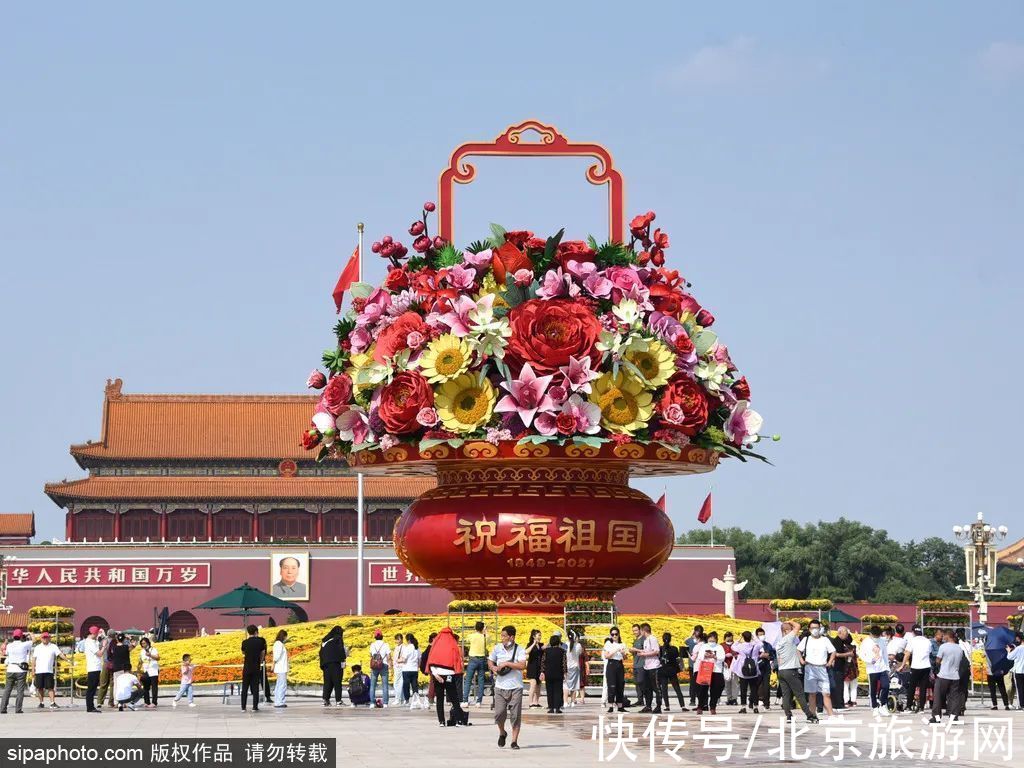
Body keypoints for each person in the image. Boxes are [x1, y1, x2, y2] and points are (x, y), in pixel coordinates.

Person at [489, 625, 527, 750]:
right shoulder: (497, 648)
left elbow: (522, 665)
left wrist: (506, 663)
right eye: (502, 635)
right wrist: (493, 667)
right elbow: (490, 661)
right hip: (500, 687)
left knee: (515, 715)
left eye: (504, 636)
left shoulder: (520, 649)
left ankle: (514, 741)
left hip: (516, 687)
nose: (502, 638)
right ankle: (502, 732)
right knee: (499, 714)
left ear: (512, 637)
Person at [775, 621, 815, 723]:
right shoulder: (788, 639)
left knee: (786, 695)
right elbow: (798, 626)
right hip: (790, 671)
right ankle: (809, 715)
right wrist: (790, 622)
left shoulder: (778, 643)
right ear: (786, 631)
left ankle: (788, 716)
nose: (793, 630)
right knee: (799, 694)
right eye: (790, 628)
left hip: (781, 671)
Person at [427, 626, 467, 726]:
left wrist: (436, 675)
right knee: (454, 698)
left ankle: (441, 721)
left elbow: (431, 661)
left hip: (438, 675)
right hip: (450, 674)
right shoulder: (452, 644)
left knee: (439, 699)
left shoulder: (436, 644)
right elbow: (456, 659)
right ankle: (459, 720)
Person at [797, 619, 836, 718]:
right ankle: (813, 714)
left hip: (822, 668)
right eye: (813, 628)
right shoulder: (806, 639)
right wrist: (801, 660)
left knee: (826, 693)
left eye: (817, 628)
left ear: (820, 628)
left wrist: (830, 661)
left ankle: (831, 715)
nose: (815, 630)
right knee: (812, 694)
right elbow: (798, 650)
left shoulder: (825, 639)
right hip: (810, 668)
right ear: (809, 629)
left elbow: (833, 651)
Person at [930, 629, 965, 723]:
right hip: (955, 676)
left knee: (938, 697)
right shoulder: (959, 648)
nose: (943, 637)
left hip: (943, 675)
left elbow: (938, 660)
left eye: (944, 635)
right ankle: (954, 717)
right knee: (953, 698)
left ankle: (936, 717)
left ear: (948, 636)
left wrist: (937, 666)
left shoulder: (943, 647)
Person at [691, 630, 726, 714]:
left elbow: (722, 658)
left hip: (716, 670)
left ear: (716, 640)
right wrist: (705, 656)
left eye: (713, 640)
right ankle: (700, 706)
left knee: (715, 689)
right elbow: (699, 657)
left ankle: (713, 707)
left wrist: (715, 656)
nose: (711, 642)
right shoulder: (704, 646)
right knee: (702, 689)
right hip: (705, 670)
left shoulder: (719, 647)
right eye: (710, 640)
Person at [901, 625, 934, 713]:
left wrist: (902, 665)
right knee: (923, 688)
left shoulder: (912, 641)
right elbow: (929, 652)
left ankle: (908, 707)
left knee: (912, 687)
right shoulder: (928, 641)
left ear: (913, 632)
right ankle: (921, 708)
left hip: (916, 667)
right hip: (926, 666)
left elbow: (907, 654)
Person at [858, 625, 890, 715]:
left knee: (886, 686)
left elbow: (884, 654)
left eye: (878, 636)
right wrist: (869, 660)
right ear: (871, 634)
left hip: (882, 668)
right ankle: (875, 707)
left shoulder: (882, 641)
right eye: (875, 636)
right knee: (873, 689)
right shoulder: (866, 642)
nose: (876, 638)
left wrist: (887, 667)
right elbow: (861, 654)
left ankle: (883, 705)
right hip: (872, 669)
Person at [1, 628, 32, 714]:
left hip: (10, 669)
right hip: (21, 670)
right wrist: (29, 633)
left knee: (7, 690)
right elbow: (35, 639)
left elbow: (5, 652)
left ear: (13, 636)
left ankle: (3, 708)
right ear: (21, 636)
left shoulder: (10, 645)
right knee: (20, 690)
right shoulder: (25, 644)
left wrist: (5, 642)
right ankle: (18, 709)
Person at [31, 632, 66, 709]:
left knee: (50, 687)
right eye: (43, 637)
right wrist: (33, 670)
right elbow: (34, 659)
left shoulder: (53, 646)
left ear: (49, 638)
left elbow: (60, 654)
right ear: (41, 638)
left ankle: (52, 702)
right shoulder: (37, 647)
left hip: (49, 671)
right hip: (39, 671)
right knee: (40, 688)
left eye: (46, 637)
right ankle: (41, 703)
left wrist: (68, 660)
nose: (45, 639)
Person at [732, 630, 763, 714]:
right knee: (754, 690)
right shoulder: (755, 646)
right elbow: (761, 644)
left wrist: (739, 639)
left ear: (743, 637)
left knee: (743, 689)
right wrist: (754, 638)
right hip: (753, 671)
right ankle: (755, 707)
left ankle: (743, 707)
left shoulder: (740, 646)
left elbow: (733, 646)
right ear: (751, 637)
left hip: (743, 672)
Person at [657, 632, 686, 711]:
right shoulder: (674, 648)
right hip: (672, 670)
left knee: (664, 689)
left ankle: (667, 706)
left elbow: (658, 658)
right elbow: (677, 658)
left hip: (663, 670)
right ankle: (682, 706)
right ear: (670, 639)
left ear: (663, 639)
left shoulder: (660, 648)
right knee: (677, 688)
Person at [240, 625, 266, 712]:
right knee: (255, 688)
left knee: (245, 687)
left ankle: (243, 707)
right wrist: (260, 661)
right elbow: (262, 652)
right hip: (256, 667)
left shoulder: (244, 642)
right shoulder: (260, 642)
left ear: (248, 632)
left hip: (247, 667)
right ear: (255, 632)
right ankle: (255, 707)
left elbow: (243, 652)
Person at [602, 627, 628, 713]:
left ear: (619, 634)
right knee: (611, 685)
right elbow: (607, 656)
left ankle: (620, 706)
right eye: (612, 634)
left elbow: (625, 657)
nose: (614, 636)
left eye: (616, 634)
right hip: (611, 664)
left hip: (619, 664)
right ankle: (611, 705)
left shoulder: (622, 644)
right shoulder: (608, 643)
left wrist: (623, 653)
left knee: (620, 685)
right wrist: (616, 650)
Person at [463, 621, 488, 707]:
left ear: (475, 628)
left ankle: (465, 700)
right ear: (482, 628)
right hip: (481, 659)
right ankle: (478, 702)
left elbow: (465, 640)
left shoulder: (471, 636)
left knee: (468, 680)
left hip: (473, 659)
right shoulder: (484, 637)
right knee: (481, 681)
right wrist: (485, 631)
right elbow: (488, 639)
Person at [319, 626, 346, 707]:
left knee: (327, 683)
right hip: (335, 663)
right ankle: (338, 701)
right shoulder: (338, 638)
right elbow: (341, 651)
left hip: (326, 665)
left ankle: (325, 700)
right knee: (337, 683)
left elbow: (320, 653)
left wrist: (323, 664)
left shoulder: (325, 640)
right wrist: (343, 659)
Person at [829, 627, 854, 711]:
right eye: (845, 634)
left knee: (840, 685)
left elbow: (850, 640)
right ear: (839, 633)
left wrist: (848, 633)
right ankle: (837, 705)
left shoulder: (842, 641)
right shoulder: (836, 641)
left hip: (841, 666)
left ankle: (840, 703)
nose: (846, 636)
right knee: (838, 686)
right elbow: (837, 654)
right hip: (836, 666)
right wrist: (848, 654)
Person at [541, 633, 567, 713]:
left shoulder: (546, 651)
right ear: (559, 642)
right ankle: (557, 707)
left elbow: (543, 662)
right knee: (558, 690)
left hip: (548, 673)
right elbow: (564, 663)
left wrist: (542, 672)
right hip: (558, 673)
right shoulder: (562, 651)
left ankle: (551, 707)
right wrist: (565, 673)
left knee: (550, 690)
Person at [82, 625, 103, 714]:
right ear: (93, 633)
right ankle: (90, 707)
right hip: (93, 668)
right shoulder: (90, 642)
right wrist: (104, 646)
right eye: (97, 633)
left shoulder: (93, 641)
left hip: (96, 667)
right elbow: (99, 654)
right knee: (91, 688)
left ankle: (90, 706)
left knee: (93, 688)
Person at [368, 631, 391, 708]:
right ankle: (385, 703)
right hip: (383, 665)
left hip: (374, 666)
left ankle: (372, 703)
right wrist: (390, 665)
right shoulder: (386, 644)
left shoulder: (372, 645)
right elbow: (389, 656)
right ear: (382, 636)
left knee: (372, 685)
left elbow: (371, 655)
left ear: (375, 637)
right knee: (385, 685)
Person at [754, 627, 775, 710]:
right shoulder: (754, 645)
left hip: (766, 667)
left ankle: (767, 704)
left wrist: (768, 656)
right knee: (756, 686)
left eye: (763, 634)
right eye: (760, 635)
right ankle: (754, 702)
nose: (762, 636)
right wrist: (760, 656)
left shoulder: (768, 645)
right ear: (757, 635)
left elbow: (773, 655)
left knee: (766, 686)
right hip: (757, 668)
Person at [398, 633, 421, 706]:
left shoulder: (407, 648)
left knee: (406, 686)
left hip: (407, 669)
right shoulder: (417, 648)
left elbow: (404, 660)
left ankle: (407, 700)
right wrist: (418, 667)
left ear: (408, 640)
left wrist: (398, 660)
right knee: (415, 685)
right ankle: (416, 700)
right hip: (414, 669)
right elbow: (419, 660)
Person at [685, 625, 704, 708]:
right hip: (692, 664)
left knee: (701, 683)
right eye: (696, 631)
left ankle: (701, 700)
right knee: (693, 683)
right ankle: (692, 700)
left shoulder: (703, 641)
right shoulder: (691, 640)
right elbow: (685, 641)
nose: (698, 633)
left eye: (699, 631)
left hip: (701, 665)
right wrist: (691, 633)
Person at [138, 637, 160, 708]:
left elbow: (158, 658)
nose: (143, 644)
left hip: (153, 671)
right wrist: (138, 668)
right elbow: (141, 660)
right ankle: (146, 702)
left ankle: (154, 702)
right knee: (145, 686)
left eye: (144, 643)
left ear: (147, 643)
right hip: (146, 671)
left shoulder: (153, 649)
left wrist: (150, 655)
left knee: (154, 687)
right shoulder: (142, 651)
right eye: (142, 643)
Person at [525, 629, 543, 709]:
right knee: (533, 684)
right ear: (533, 636)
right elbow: (526, 652)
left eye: (540, 635)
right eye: (538, 635)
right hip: (532, 667)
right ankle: (530, 703)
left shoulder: (541, 645)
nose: (540, 637)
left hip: (539, 667)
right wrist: (533, 644)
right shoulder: (529, 644)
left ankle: (536, 702)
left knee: (539, 685)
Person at [956, 629, 972, 716]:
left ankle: (958, 707)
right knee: (964, 688)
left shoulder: (958, 643)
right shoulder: (967, 643)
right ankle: (963, 706)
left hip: (959, 666)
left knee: (957, 688)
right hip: (967, 667)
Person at [565, 630, 584, 707]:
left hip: (566, 667)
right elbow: (580, 653)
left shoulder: (565, 644)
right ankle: (573, 701)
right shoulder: (578, 645)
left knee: (566, 685)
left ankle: (565, 702)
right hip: (575, 666)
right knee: (574, 684)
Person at [272, 629, 289, 708]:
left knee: (279, 685)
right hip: (281, 668)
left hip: (280, 668)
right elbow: (277, 656)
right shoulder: (279, 644)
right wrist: (273, 664)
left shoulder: (278, 643)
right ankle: (279, 702)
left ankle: (278, 701)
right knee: (282, 685)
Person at [1007, 632, 1024, 709]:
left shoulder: (1018, 648)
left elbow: (1009, 657)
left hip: (1018, 671)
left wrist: (1009, 651)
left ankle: (1021, 705)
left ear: (1019, 638)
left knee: (1019, 689)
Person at [421, 632, 438, 707]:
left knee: (433, 682)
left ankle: (431, 698)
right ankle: (430, 698)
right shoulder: (431, 648)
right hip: (432, 667)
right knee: (433, 683)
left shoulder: (429, 647)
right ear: (433, 639)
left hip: (431, 667)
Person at [391, 633, 406, 705]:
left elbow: (403, 658)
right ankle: (401, 699)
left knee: (397, 683)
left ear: (402, 639)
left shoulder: (403, 647)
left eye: (398, 639)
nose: (397, 640)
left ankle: (398, 699)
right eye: (396, 639)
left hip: (400, 667)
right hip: (397, 667)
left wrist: (397, 661)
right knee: (399, 683)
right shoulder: (397, 647)